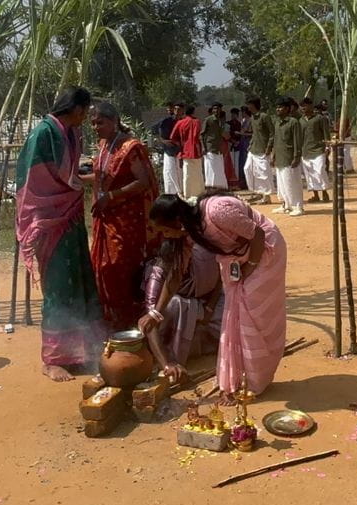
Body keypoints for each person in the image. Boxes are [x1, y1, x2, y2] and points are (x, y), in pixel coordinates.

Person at [149, 193, 287, 398]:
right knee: (235, 315)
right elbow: (174, 277)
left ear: (177, 221)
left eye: (165, 230)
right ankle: (239, 377)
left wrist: (249, 266)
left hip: (265, 250)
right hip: (237, 260)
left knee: (254, 314)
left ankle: (256, 381)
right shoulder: (189, 233)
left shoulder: (216, 212)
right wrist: (155, 314)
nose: (165, 236)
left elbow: (258, 234)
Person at [15, 86, 101, 382]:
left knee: (79, 280)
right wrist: (83, 180)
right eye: (86, 111)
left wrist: (82, 179)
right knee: (58, 288)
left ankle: (80, 352)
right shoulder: (43, 133)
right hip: (48, 220)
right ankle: (53, 359)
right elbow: (34, 181)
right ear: (77, 109)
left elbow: (69, 174)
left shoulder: (71, 133)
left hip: (70, 215)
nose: (87, 117)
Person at [88, 101, 156, 331]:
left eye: (100, 122)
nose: (96, 127)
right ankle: (114, 317)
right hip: (105, 216)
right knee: (103, 266)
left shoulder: (130, 147)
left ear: (114, 121)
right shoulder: (103, 145)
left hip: (127, 219)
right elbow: (102, 176)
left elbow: (143, 182)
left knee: (120, 265)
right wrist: (77, 179)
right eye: (93, 123)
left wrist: (112, 196)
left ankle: (131, 318)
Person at [136, 235, 223, 384]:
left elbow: (220, 276)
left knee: (231, 319)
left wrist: (209, 308)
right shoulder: (157, 275)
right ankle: (175, 356)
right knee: (178, 303)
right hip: (176, 320)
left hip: (205, 306)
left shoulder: (200, 257)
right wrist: (166, 364)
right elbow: (151, 324)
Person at [271, 97, 306, 216]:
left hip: (289, 158)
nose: (278, 109)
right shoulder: (277, 123)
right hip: (280, 158)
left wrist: (296, 157)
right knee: (282, 185)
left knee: (292, 183)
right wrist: (273, 155)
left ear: (287, 109)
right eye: (277, 107)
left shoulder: (293, 122)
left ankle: (298, 207)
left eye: (280, 107)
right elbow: (276, 140)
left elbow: (297, 141)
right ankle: (286, 205)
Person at [243, 97, 276, 204]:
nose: (248, 107)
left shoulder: (264, 117)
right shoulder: (252, 118)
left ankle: (266, 196)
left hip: (263, 149)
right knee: (248, 169)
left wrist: (269, 147)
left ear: (254, 105)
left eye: (249, 104)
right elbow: (255, 133)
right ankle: (258, 192)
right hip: (253, 149)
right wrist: (250, 144)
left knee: (264, 173)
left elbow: (272, 133)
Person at [300, 98, 331, 203]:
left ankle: (324, 192)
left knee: (320, 171)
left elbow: (326, 134)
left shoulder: (320, 119)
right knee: (310, 174)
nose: (303, 108)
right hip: (305, 151)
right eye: (301, 106)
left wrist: (327, 147)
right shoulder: (301, 121)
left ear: (311, 106)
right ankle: (315, 195)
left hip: (318, 150)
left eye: (305, 106)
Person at [171, 103, 205, 199]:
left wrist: (181, 145)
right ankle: (200, 194)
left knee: (187, 174)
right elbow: (198, 136)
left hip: (185, 151)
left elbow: (173, 137)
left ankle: (188, 195)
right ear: (193, 112)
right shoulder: (196, 121)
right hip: (196, 151)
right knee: (198, 173)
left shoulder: (180, 122)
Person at [200, 102, 230, 192]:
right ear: (212, 110)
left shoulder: (220, 121)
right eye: (214, 108)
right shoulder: (208, 120)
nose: (216, 110)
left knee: (219, 170)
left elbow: (223, 135)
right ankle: (211, 189)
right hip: (210, 148)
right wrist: (203, 147)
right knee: (210, 170)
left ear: (220, 110)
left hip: (218, 149)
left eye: (218, 109)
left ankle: (220, 189)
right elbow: (201, 135)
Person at [155, 101, 182, 197]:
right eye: (169, 108)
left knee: (180, 173)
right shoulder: (165, 121)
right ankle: (171, 194)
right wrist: (163, 141)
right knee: (170, 172)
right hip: (169, 151)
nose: (170, 110)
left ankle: (181, 193)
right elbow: (155, 132)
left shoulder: (182, 121)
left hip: (180, 151)